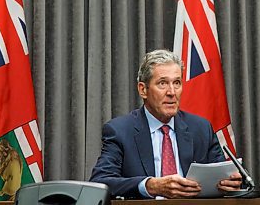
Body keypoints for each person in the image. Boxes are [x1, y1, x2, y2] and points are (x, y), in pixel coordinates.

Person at [90, 49, 242, 199]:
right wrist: (150, 186)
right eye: (162, 83)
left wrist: (230, 183)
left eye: (177, 83)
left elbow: (223, 175)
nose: (172, 92)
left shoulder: (201, 129)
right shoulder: (120, 131)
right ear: (143, 90)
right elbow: (100, 182)